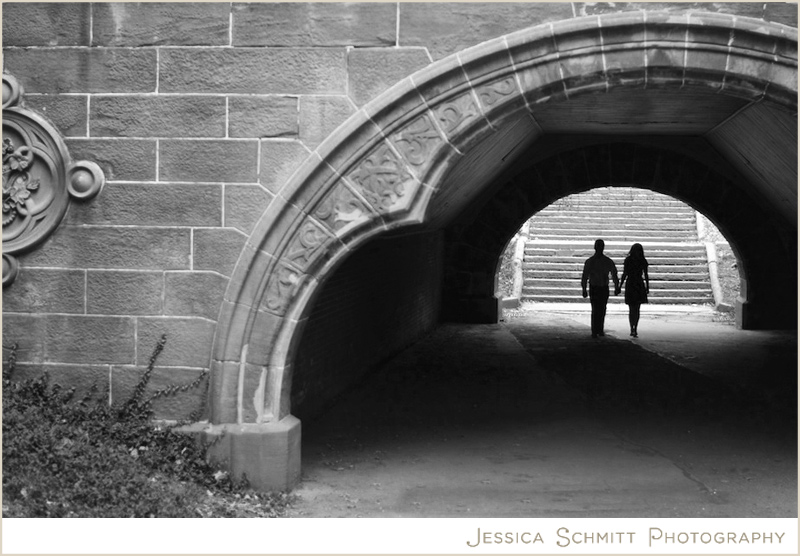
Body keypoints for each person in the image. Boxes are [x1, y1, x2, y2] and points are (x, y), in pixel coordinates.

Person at [581, 239, 619, 338]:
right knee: (602, 308)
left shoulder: (590, 261)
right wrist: (616, 286)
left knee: (595, 309)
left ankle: (595, 329)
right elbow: (614, 275)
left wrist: (584, 289)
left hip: (595, 287)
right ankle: (599, 329)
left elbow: (585, 276)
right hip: (602, 287)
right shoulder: (608, 261)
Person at [616, 243, 650, 338]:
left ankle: (632, 328)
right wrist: (647, 286)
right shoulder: (643, 261)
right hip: (639, 283)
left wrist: (620, 285)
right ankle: (635, 328)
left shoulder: (628, 260)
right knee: (637, 308)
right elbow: (646, 275)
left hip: (630, 283)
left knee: (632, 308)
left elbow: (624, 274)